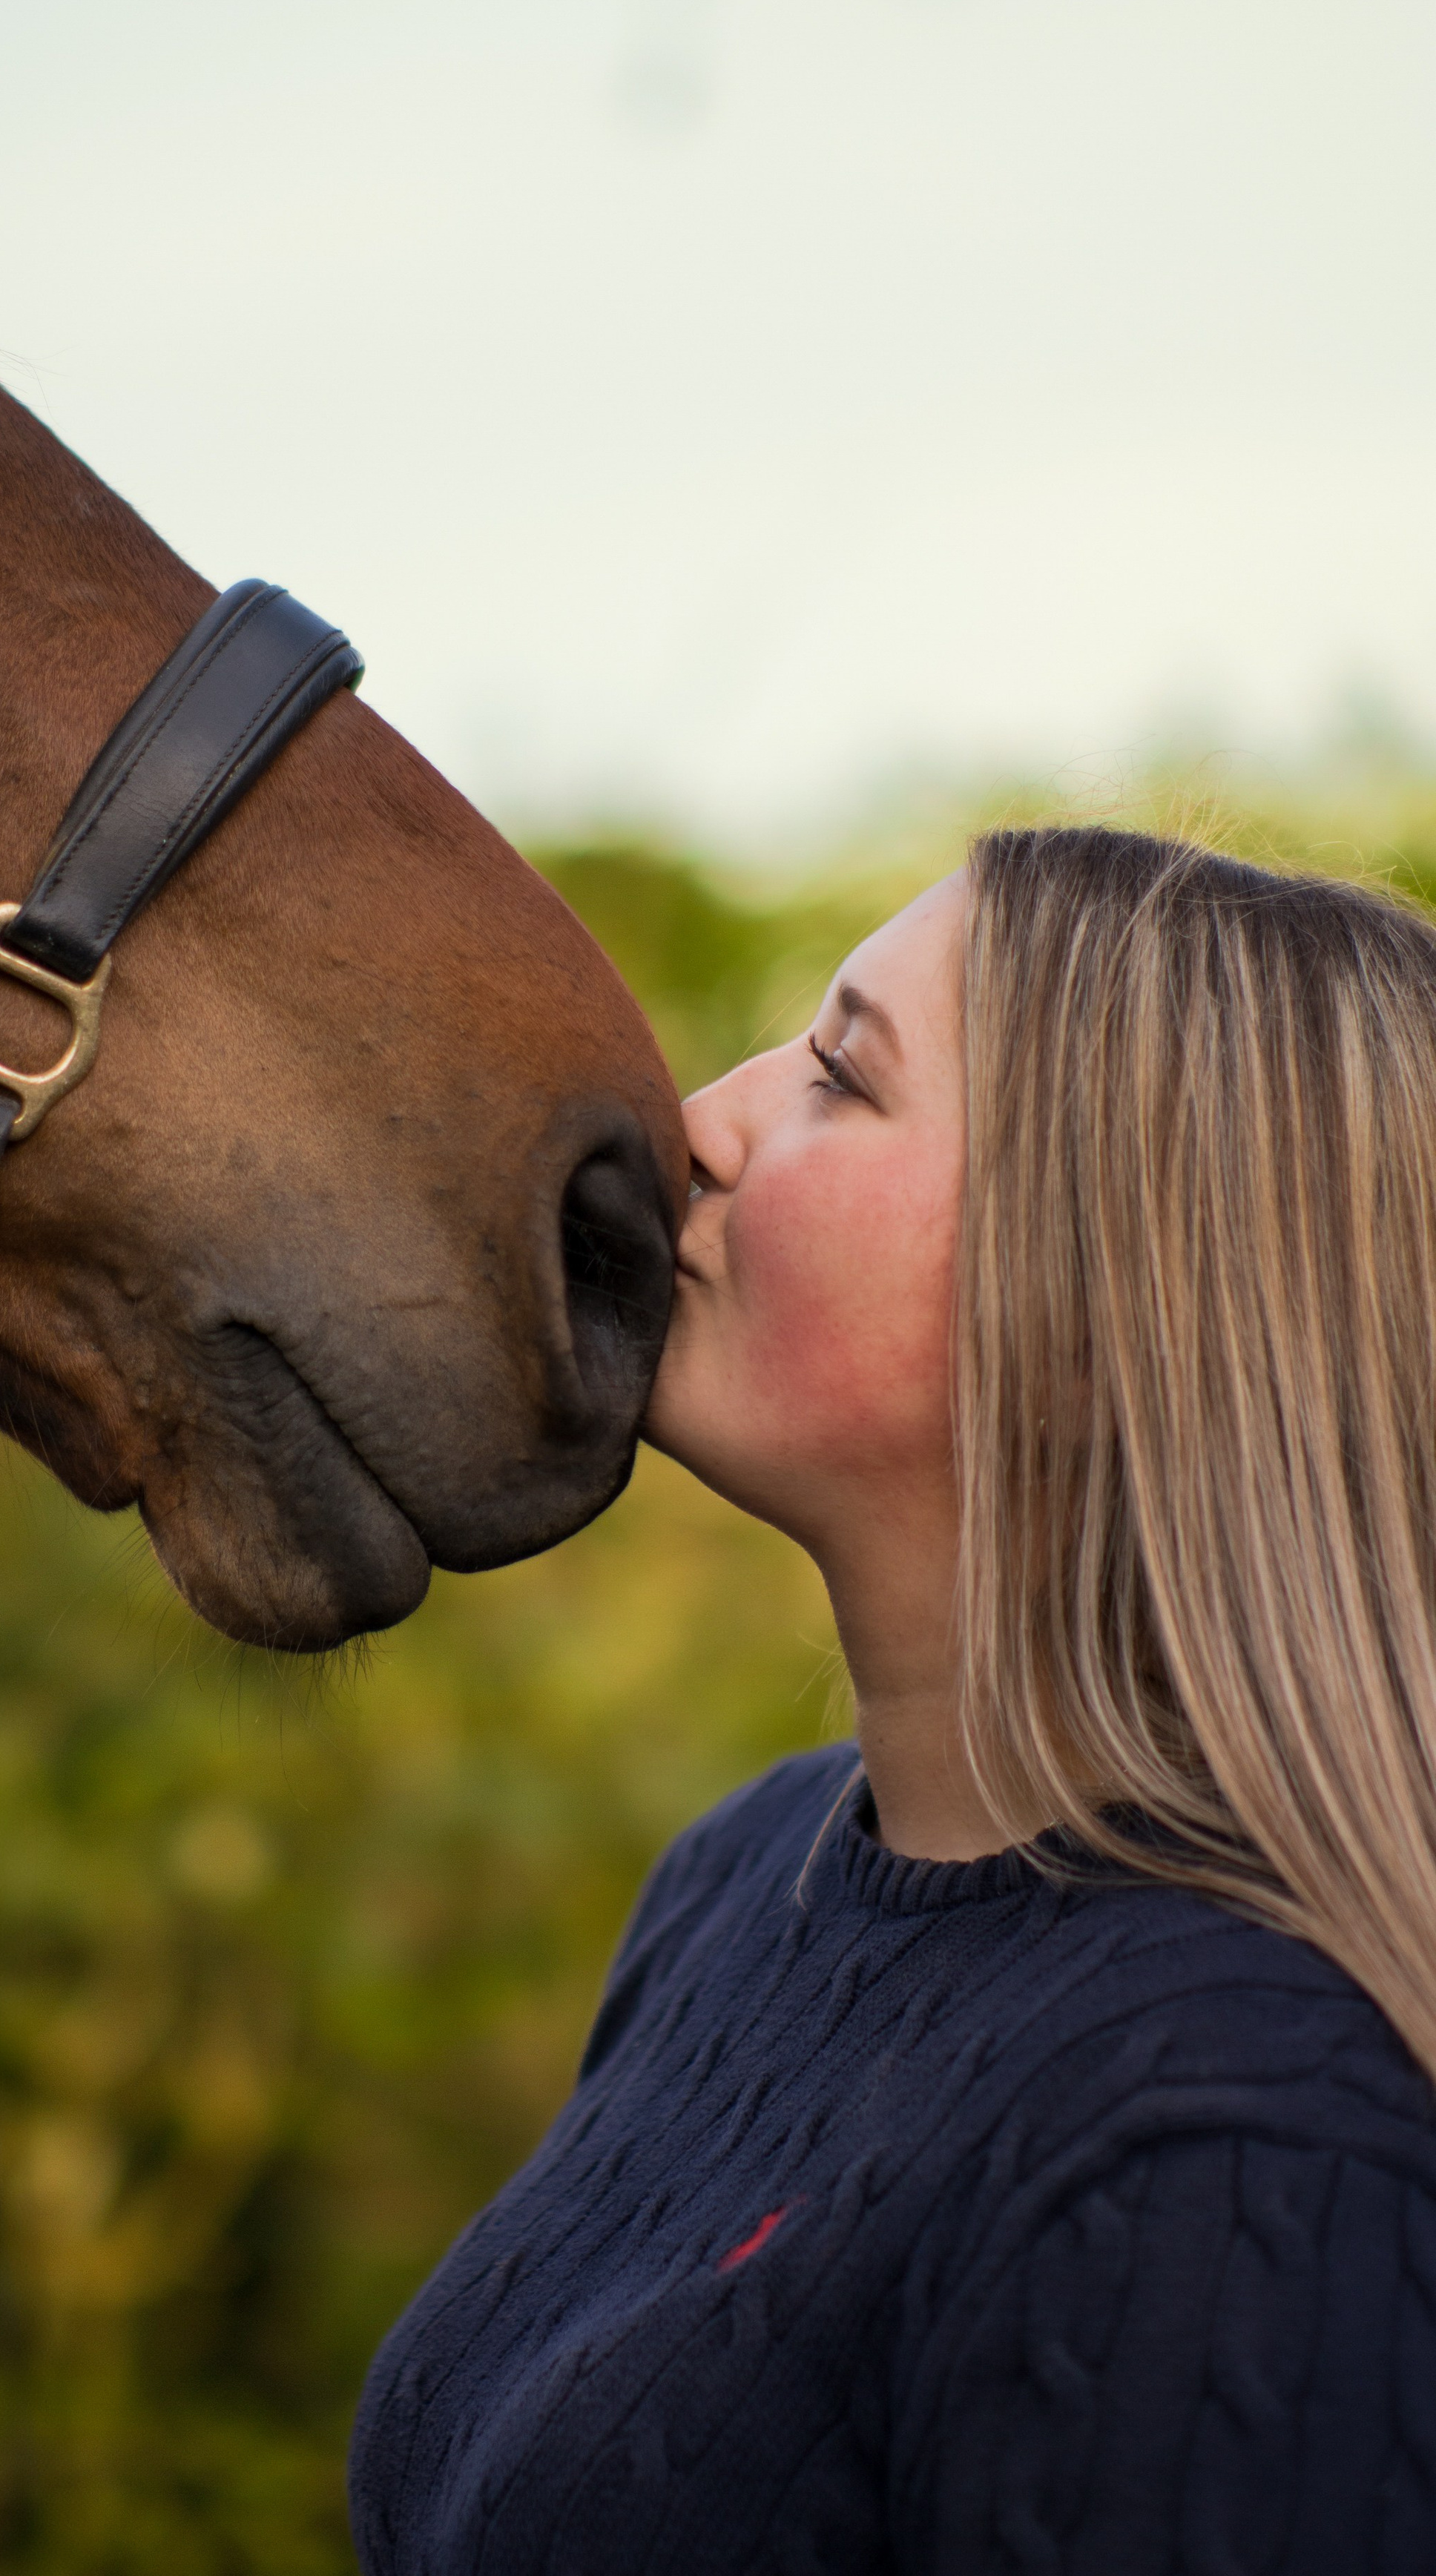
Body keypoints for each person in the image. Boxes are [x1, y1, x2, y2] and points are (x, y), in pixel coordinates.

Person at [349, 824, 1436, 2576]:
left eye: (839, 1077)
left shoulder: (1231, 2156)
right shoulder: (747, 1873)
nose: (701, 1115)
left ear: (1101, 1320)